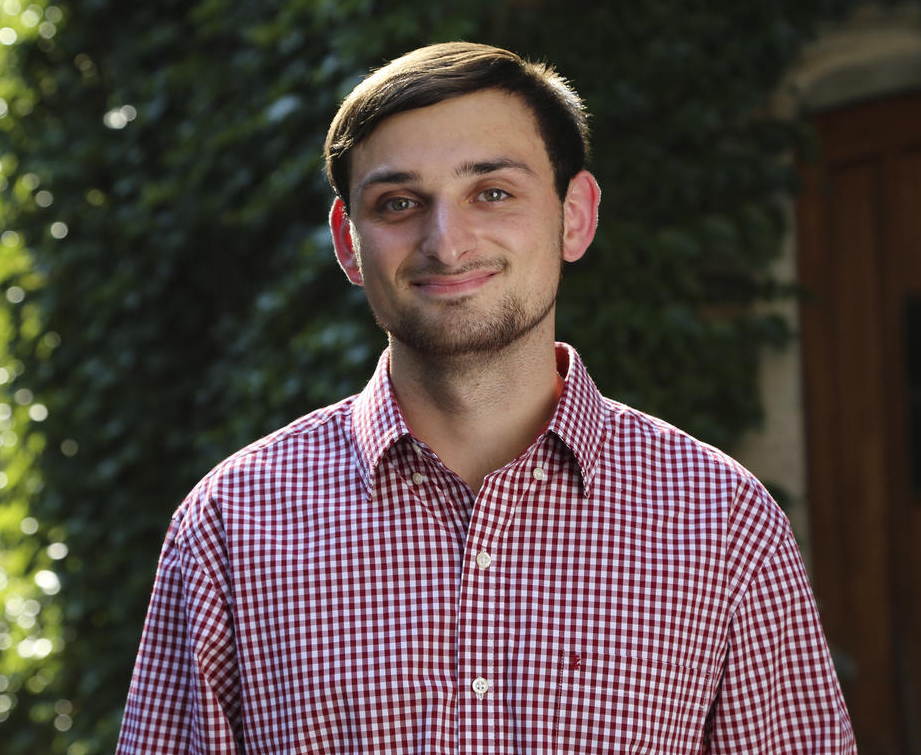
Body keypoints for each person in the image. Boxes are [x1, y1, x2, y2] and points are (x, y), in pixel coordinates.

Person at [116, 42, 855, 753]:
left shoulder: (720, 520)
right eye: (399, 202)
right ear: (348, 241)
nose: (448, 241)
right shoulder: (232, 525)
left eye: (493, 192)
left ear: (575, 216)